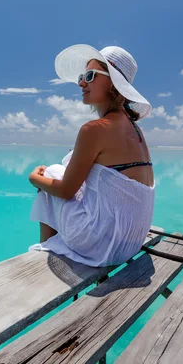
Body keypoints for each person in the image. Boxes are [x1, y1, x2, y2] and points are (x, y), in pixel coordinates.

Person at [28, 44, 155, 267]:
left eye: (90, 75)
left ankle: (43, 256)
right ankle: (51, 248)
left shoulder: (95, 129)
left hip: (102, 246)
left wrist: (34, 178)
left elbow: (66, 191)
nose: (81, 83)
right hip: (129, 242)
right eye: (82, 76)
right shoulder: (135, 129)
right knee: (57, 172)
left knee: (49, 174)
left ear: (113, 83)